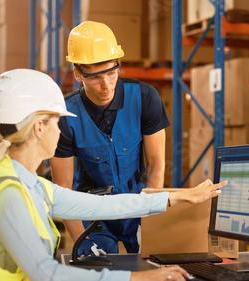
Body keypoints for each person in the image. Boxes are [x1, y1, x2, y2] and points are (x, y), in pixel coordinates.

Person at [0, 69, 226, 281]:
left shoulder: (30, 184)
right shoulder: (9, 192)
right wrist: (136, 278)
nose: (62, 129)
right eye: (58, 121)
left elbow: (106, 205)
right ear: (39, 129)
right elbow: (47, 273)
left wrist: (181, 196)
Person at [49, 21, 170, 255]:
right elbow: (61, 189)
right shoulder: (65, 116)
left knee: (152, 263)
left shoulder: (145, 98)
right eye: (95, 77)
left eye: (112, 72)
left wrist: (151, 220)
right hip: (92, 213)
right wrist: (81, 241)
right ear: (77, 74)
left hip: (137, 205)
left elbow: (156, 164)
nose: (106, 85)